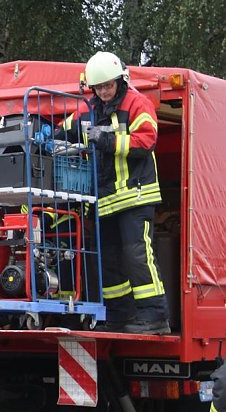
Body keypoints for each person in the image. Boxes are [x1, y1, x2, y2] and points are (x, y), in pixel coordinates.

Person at [57, 51, 169, 334]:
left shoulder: (137, 103)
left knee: (137, 256)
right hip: (104, 202)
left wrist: (107, 140)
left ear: (120, 80)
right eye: (99, 87)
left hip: (134, 197)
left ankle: (155, 316)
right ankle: (119, 316)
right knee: (107, 261)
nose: (104, 91)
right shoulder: (88, 110)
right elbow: (65, 129)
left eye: (108, 85)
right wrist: (43, 136)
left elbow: (146, 140)